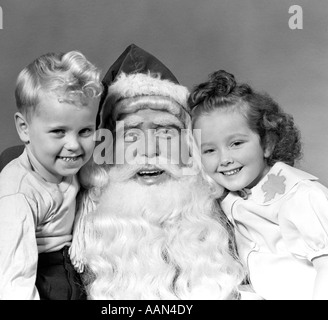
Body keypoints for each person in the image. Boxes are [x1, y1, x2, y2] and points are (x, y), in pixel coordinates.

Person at [69, 44, 247, 300]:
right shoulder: (72, 223)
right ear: (105, 147)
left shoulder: (233, 217)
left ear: (189, 145)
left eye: (165, 132)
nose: (150, 150)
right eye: (130, 134)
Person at [0, 50, 103, 300]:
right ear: (24, 128)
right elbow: (15, 275)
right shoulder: (15, 195)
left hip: (55, 264)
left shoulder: (70, 168)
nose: (74, 145)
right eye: (59, 131)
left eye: (85, 131)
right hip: (4, 275)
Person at [188, 69, 328, 300]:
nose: (224, 159)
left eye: (236, 143)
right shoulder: (229, 201)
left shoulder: (301, 196)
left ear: (267, 143)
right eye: (209, 150)